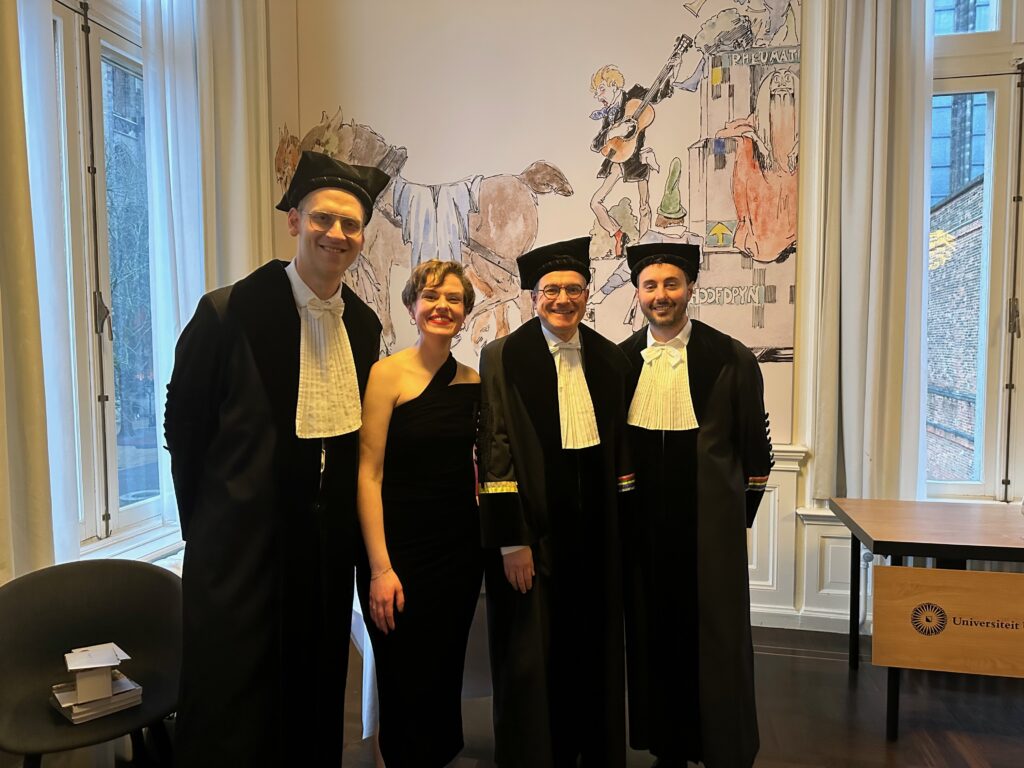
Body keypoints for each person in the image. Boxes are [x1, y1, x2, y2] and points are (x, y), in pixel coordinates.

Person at [164, 150, 389, 767]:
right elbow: (183, 425)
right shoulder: (226, 311)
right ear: (294, 221)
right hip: (238, 551)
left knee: (314, 694)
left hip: (322, 552)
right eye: (322, 218)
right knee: (235, 703)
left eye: (350, 224)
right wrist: (210, 525)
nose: (336, 234)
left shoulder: (364, 326)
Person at [476, 236, 635, 768]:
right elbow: (495, 447)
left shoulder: (610, 358)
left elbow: (620, 451)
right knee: (532, 655)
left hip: (595, 533)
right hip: (533, 535)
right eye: (551, 290)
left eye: (573, 289)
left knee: (593, 648)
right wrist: (511, 539)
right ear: (533, 297)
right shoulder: (503, 355)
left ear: (587, 294)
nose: (562, 299)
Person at [618, 242, 774, 768]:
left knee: (716, 640)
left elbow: (755, 454)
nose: (660, 295)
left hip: (709, 531)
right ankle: (667, 747)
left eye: (671, 284)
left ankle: (722, 747)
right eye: (650, 286)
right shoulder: (620, 360)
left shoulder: (730, 357)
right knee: (653, 638)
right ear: (637, 293)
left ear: (690, 288)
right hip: (644, 532)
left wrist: (729, 522)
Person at [355, 259, 483, 767]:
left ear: (466, 311)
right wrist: (380, 569)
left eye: (453, 299)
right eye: (431, 296)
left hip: (458, 552)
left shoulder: (473, 381)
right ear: (412, 307)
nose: (442, 306)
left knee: (443, 672)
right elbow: (368, 475)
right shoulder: (386, 375)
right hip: (397, 554)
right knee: (402, 676)